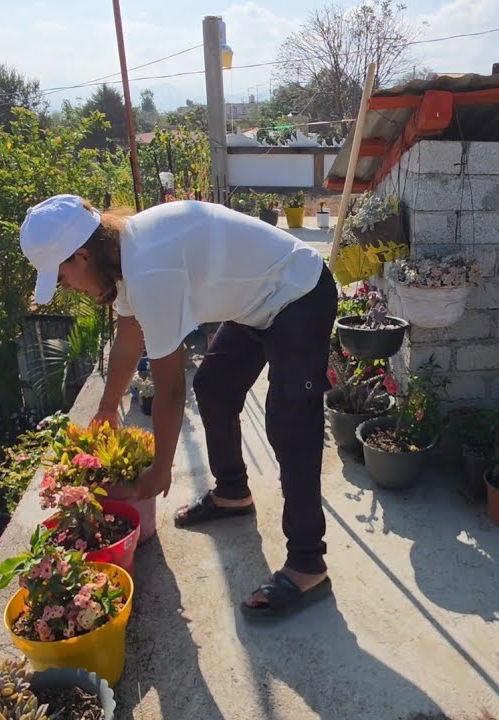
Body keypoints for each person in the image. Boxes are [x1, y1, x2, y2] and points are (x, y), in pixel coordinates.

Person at [18, 194, 336, 619]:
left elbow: (169, 389)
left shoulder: (148, 269)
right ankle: (232, 492)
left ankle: (308, 564)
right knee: (215, 386)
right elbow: (129, 337)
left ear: (82, 255)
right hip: (256, 303)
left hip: (299, 294)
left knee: (290, 424)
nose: (68, 287)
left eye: (62, 277)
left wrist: (161, 469)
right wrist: (108, 407)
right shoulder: (122, 255)